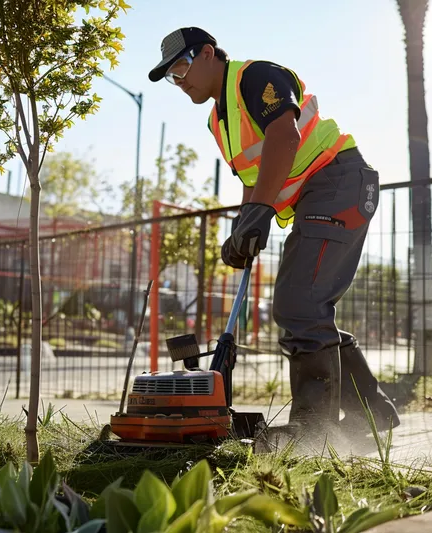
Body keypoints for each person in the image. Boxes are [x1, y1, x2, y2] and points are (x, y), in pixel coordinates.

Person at [148, 27, 400, 436]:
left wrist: (262, 210)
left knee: (297, 302)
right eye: (172, 79)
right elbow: (252, 175)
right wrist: (244, 224)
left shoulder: (255, 77)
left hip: (339, 182)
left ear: (208, 53)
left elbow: (285, 135)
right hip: (318, 198)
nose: (180, 83)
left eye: (181, 68)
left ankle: (314, 431)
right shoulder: (218, 120)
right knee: (303, 305)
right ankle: (370, 413)